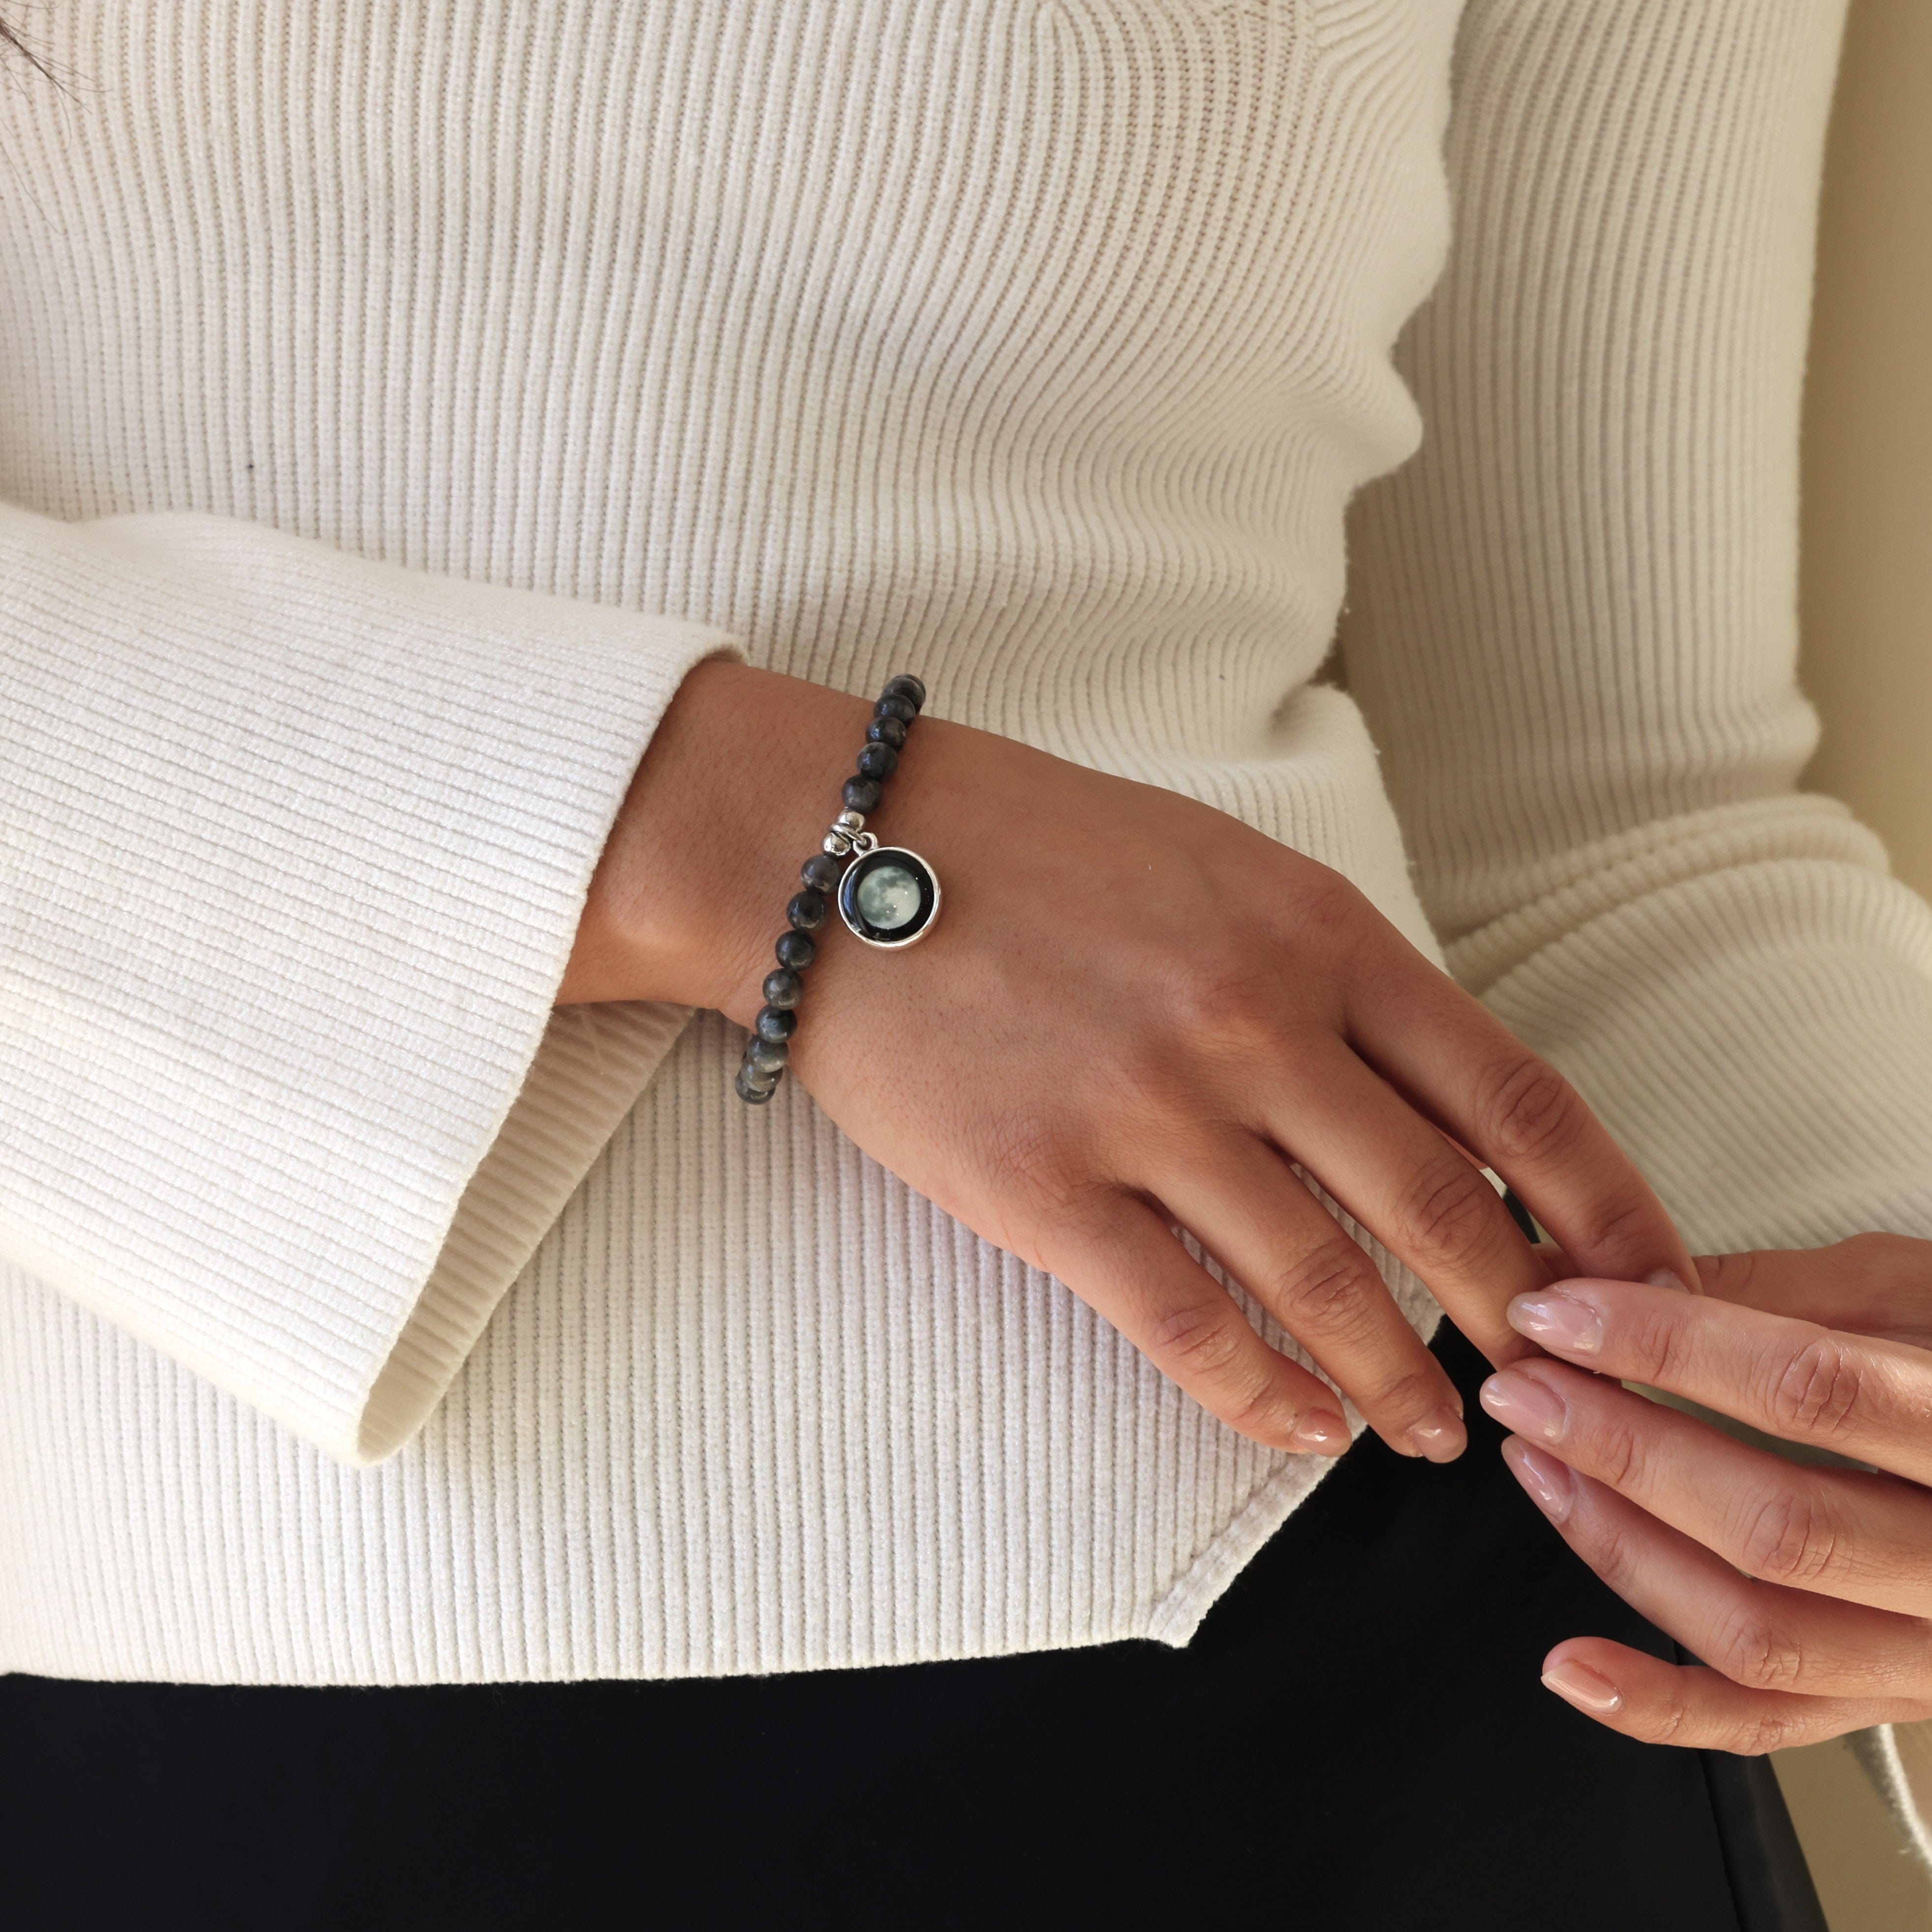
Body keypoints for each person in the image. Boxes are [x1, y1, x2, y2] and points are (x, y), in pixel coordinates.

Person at [0, 1, 1926, 1926]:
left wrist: (1871, 1374)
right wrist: (770, 843)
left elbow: (1606, 824)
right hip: (205, 1723)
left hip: (1404, 1696)